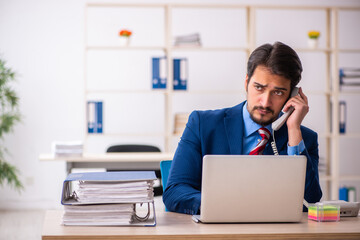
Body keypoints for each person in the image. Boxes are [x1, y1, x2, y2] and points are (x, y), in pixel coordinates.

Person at [162, 42, 322, 215]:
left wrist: (293, 129)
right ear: (246, 83)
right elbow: (175, 191)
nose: (265, 102)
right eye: (259, 88)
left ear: (292, 95)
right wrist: (226, 205)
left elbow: (310, 201)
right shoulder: (202, 124)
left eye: (278, 92)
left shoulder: (303, 139)